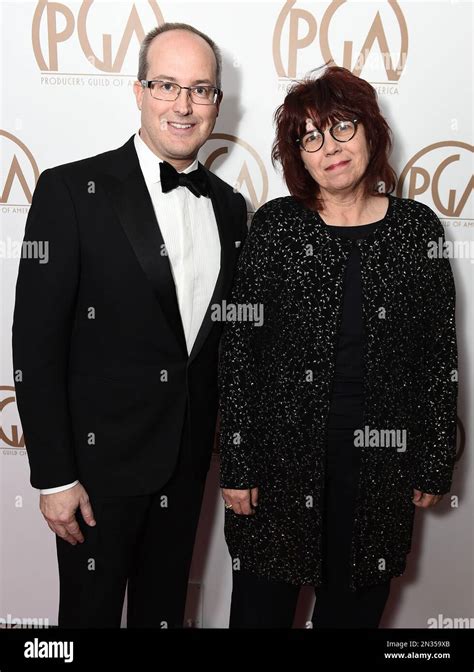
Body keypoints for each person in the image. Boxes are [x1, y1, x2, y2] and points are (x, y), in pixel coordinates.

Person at [13, 22, 247, 628]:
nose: (184, 104)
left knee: (163, 613)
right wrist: (55, 475)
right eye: (167, 85)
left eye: (201, 89)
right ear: (138, 91)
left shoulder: (228, 206)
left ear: (217, 102)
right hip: (94, 475)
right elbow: (35, 345)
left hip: (186, 463)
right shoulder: (69, 191)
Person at [219, 65, 457, 628]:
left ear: (371, 130)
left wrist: (433, 457)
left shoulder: (416, 228)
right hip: (278, 461)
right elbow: (239, 351)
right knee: (260, 611)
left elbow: (436, 355)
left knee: (353, 614)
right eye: (310, 137)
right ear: (297, 157)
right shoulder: (276, 226)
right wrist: (237, 459)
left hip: (380, 464)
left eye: (342, 126)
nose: (330, 147)